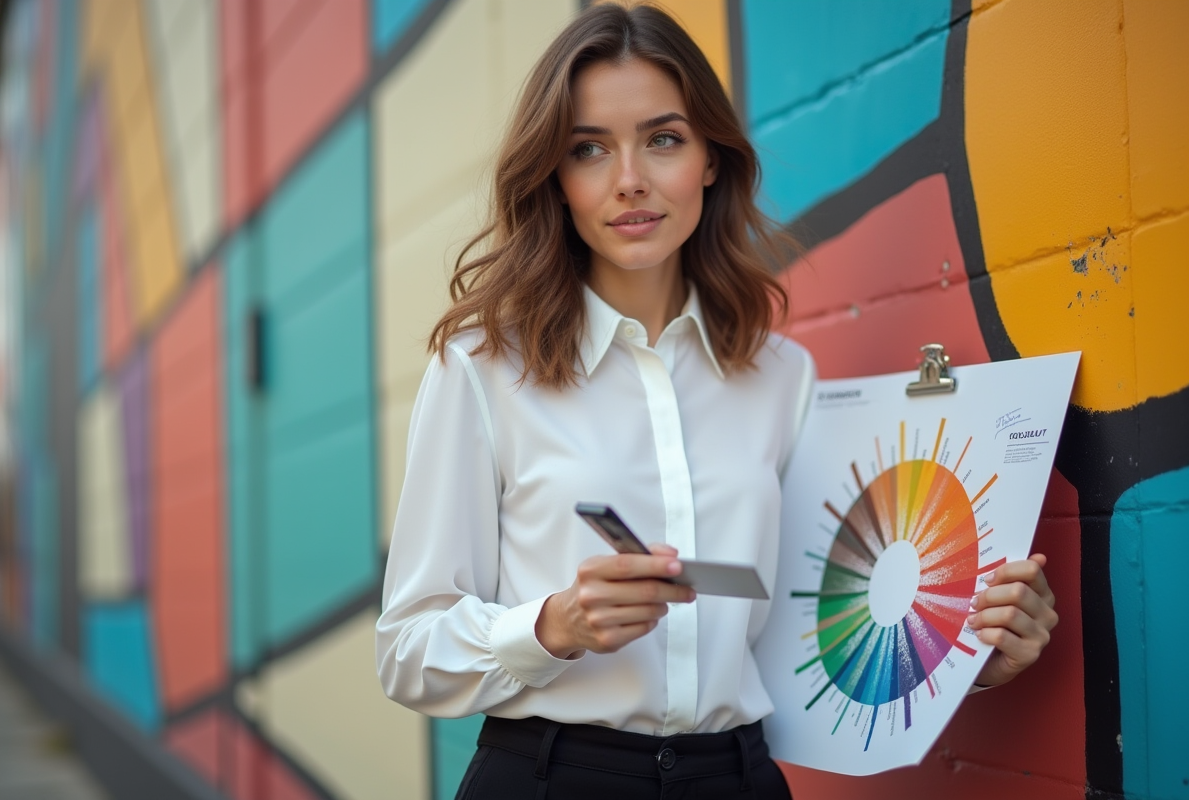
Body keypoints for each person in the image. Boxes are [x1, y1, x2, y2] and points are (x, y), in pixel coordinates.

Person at [375, 4, 1060, 798]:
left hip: (736, 780)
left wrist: (971, 651)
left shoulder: (780, 377)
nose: (629, 177)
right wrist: (551, 626)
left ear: (708, 159)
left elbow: (808, 641)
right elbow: (408, 652)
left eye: (662, 139)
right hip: (550, 778)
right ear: (555, 180)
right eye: (589, 149)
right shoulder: (483, 368)